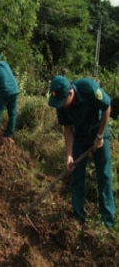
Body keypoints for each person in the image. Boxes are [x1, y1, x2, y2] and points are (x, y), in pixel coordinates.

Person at [48, 75, 115, 229]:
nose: (61, 106)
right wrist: (69, 155)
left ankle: (108, 222)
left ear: (70, 93)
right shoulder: (61, 105)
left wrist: (99, 136)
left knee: (103, 176)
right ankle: (78, 217)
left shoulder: (88, 88)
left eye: (62, 102)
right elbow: (68, 129)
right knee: (77, 175)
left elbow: (107, 107)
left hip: (99, 130)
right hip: (80, 136)